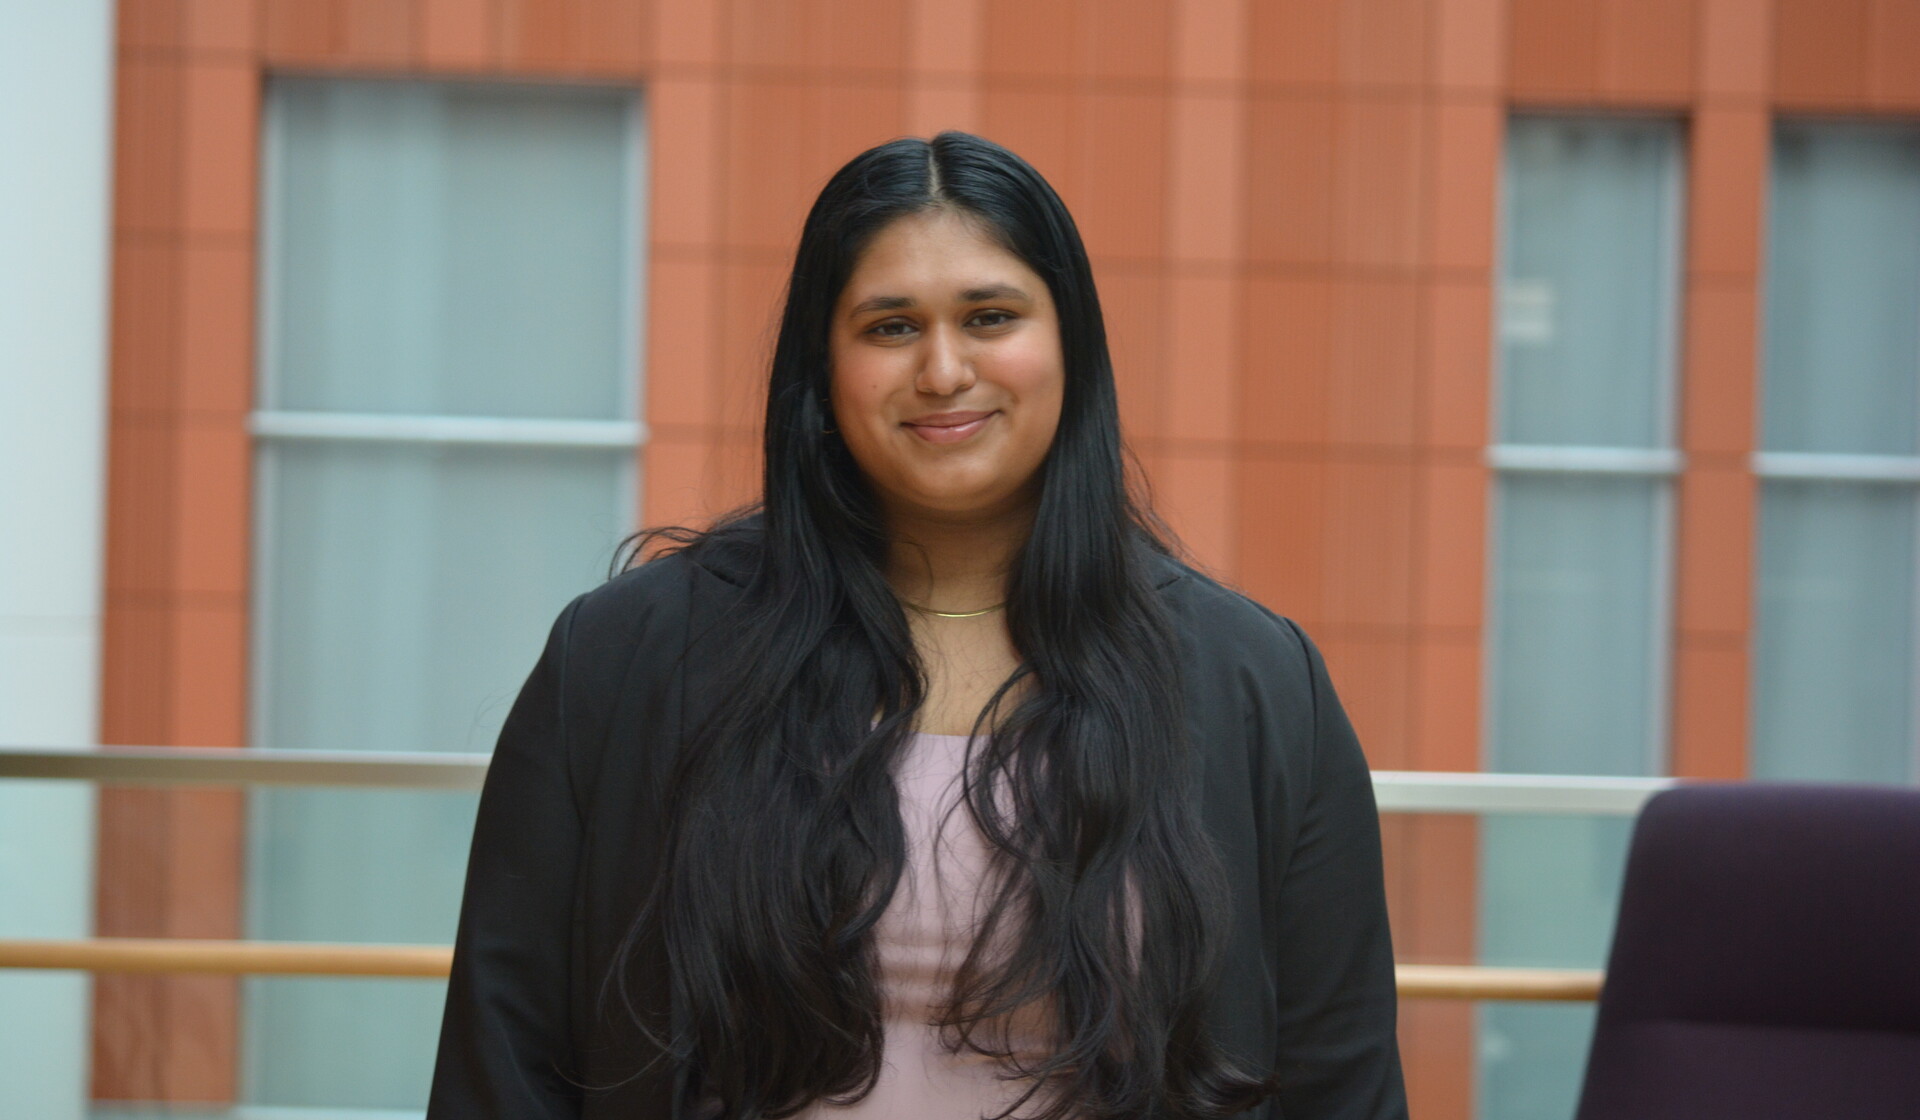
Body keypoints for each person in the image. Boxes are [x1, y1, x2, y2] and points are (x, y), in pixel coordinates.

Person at [428, 131, 1407, 1120]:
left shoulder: (1255, 685)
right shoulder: (626, 659)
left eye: (990, 316)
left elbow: (1340, 1082)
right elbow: (504, 1061)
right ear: (823, 363)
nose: (944, 370)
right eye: (891, 326)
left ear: (1069, 342)